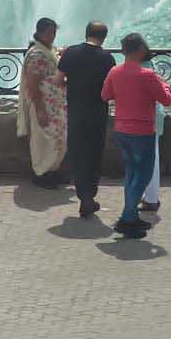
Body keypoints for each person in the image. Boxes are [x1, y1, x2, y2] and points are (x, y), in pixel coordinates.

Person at [100, 33, 171, 238]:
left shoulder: (115, 72)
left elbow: (105, 95)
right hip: (142, 132)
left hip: (122, 129)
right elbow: (166, 99)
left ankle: (131, 217)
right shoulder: (148, 75)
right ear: (140, 49)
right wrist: (164, 84)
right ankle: (126, 217)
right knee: (143, 175)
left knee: (132, 174)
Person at [58, 21, 116, 218]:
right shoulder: (107, 58)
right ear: (104, 37)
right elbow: (111, 89)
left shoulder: (71, 53)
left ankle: (83, 195)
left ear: (86, 33)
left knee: (77, 152)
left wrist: (73, 82)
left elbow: (58, 80)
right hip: (97, 113)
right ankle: (89, 196)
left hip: (75, 111)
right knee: (93, 154)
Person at [18, 17, 68, 187]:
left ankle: (53, 171)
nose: (52, 36)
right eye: (49, 33)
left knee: (55, 138)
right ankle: (41, 174)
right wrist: (39, 108)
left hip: (54, 104)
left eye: (54, 32)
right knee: (43, 139)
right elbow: (32, 83)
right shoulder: (36, 54)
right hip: (44, 104)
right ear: (40, 33)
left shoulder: (47, 51)